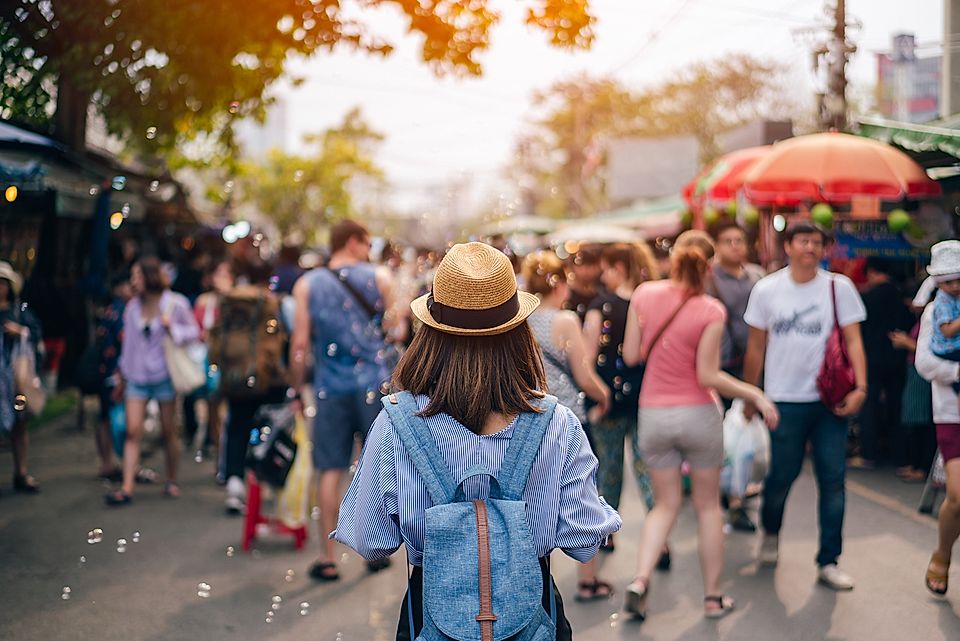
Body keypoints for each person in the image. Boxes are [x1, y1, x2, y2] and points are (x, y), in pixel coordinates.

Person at [333, 241, 621, 640]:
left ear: (431, 331)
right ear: (518, 331)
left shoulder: (396, 423)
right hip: (533, 618)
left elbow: (369, 539)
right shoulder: (557, 424)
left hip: (429, 618)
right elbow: (585, 540)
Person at [621, 237, 779, 621]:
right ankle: (712, 598)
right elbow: (708, 374)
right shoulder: (711, 309)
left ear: (671, 260)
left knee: (664, 505)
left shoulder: (644, 294)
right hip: (698, 415)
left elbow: (630, 355)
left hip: (654, 415)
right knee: (708, 507)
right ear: (709, 266)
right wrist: (754, 393)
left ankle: (640, 580)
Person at [742, 221, 867, 590]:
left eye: (817, 242)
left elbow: (854, 341)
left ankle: (829, 560)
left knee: (833, 481)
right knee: (781, 477)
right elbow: (755, 348)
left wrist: (862, 386)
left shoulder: (838, 288)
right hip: (783, 400)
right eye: (803, 241)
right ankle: (771, 531)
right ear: (788, 246)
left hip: (830, 402)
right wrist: (751, 394)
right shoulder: (767, 289)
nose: (811, 248)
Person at [289, 219, 401, 580]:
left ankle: (327, 559)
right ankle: (374, 550)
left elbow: (300, 345)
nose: (369, 252)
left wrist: (295, 387)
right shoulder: (381, 278)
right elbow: (397, 329)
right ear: (353, 242)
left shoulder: (307, 284)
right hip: (373, 384)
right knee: (375, 470)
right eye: (367, 244)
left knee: (330, 471)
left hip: (329, 389)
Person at [522, 250, 614, 602]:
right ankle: (588, 580)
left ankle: (533, 580)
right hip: (567, 420)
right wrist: (604, 395)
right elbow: (583, 374)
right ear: (558, 282)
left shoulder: (519, 320)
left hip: (529, 419)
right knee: (581, 496)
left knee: (532, 500)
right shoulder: (564, 321)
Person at [105, 257, 200, 506]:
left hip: (164, 375)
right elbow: (128, 346)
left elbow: (194, 333)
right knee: (132, 430)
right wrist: (121, 376)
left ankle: (171, 479)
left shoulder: (175, 303)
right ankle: (127, 487)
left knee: (169, 431)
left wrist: (172, 330)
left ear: (149, 277)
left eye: (137, 276)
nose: (133, 281)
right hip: (136, 376)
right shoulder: (132, 307)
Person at [582, 243, 660, 547]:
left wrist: (596, 396)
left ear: (619, 268)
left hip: (608, 403)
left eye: (606, 269)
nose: (603, 276)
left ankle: (605, 533)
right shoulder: (651, 302)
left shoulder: (601, 306)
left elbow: (588, 358)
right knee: (647, 469)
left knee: (608, 469)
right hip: (646, 399)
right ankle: (659, 534)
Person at [707, 222, 766, 532]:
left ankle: (738, 499)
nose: (734, 246)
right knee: (722, 436)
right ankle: (721, 495)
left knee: (744, 434)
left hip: (752, 366)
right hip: (720, 366)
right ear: (717, 246)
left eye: (739, 241)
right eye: (727, 240)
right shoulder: (709, 279)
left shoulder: (758, 277)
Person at [218, 260, 288, 514]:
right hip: (268, 377)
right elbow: (285, 339)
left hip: (236, 375)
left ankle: (234, 483)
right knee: (267, 429)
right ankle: (262, 481)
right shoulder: (274, 302)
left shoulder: (230, 300)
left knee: (237, 426)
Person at [915, 242, 960, 596]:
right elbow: (925, 364)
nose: (955, 287)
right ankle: (942, 555)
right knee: (958, 497)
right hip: (951, 413)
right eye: (949, 281)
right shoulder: (935, 312)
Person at [854, 258, 914, 469]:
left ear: (870, 272)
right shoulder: (903, 298)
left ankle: (869, 454)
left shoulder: (867, 298)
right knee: (896, 407)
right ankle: (900, 457)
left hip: (871, 359)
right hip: (898, 359)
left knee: (869, 406)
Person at [0, 262, 43, 493]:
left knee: (20, 425)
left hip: (16, 375)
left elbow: (36, 332)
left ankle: (21, 472)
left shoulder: (19, 310)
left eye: (2, 283)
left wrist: (20, 331)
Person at [189, 259, 234, 468]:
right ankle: (218, 453)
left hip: (230, 360)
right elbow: (194, 328)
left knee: (227, 410)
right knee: (212, 407)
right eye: (217, 275)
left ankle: (223, 457)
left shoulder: (236, 301)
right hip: (207, 359)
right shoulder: (203, 301)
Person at [93, 272, 132, 482]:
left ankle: (107, 462)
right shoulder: (120, 311)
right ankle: (112, 463)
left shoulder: (111, 310)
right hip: (115, 373)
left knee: (105, 417)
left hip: (107, 372)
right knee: (112, 418)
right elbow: (124, 342)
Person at [928, 240, 960, 376]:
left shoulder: (955, 297)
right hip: (948, 349)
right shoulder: (943, 302)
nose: (955, 286)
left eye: (959, 281)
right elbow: (947, 331)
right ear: (938, 283)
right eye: (949, 282)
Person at [563, 244, 604, 323]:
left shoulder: (600, 296)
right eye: (581, 265)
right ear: (572, 267)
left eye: (590, 265)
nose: (585, 270)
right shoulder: (566, 297)